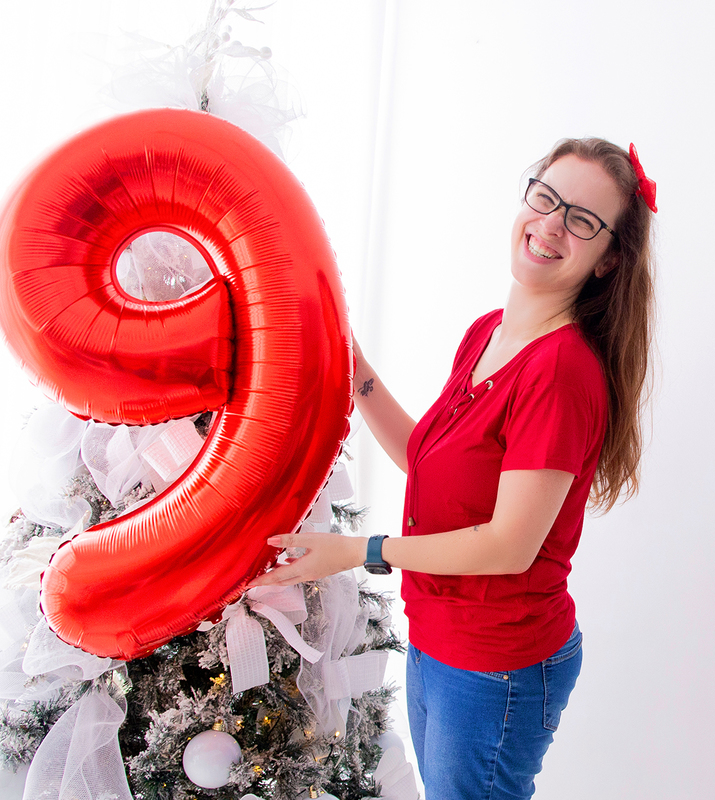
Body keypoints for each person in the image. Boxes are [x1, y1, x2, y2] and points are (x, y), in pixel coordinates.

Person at [250, 137, 657, 799]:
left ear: (609, 257)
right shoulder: (487, 332)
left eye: (581, 219)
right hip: (441, 641)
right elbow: (433, 462)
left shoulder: (560, 372)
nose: (552, 223)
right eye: (546, 197)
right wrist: (357, 374)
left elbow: (507, 544)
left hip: (498, 665)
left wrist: (362, 551)